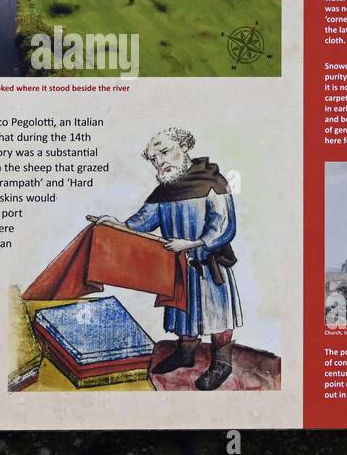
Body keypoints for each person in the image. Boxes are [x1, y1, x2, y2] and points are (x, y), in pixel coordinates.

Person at [93, 127, 242, 390]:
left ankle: (222, 362)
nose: (160, 161)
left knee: (216, 315)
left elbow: (224, 226)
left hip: (208, 264)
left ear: (183, 148)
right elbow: (141, 222)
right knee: (183, 312)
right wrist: (116, 225)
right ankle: (185, 353)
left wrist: (195, 243)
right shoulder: (162, 192)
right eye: (153, 158)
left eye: (164, 152)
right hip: (177, 265)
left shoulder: (213, 182)